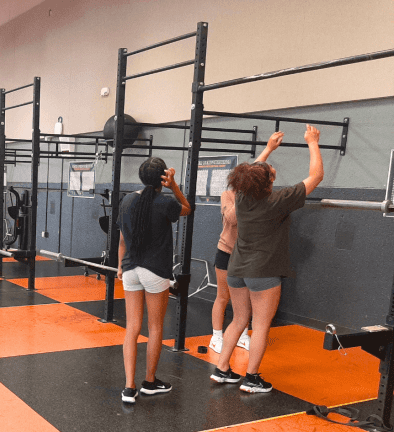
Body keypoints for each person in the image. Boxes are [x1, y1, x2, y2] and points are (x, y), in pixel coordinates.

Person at [211, 126, 324, 393]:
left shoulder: (242, 196)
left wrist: (269, 148)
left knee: (239, 320)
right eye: (272, 175)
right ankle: (251, 379)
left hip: (236, 268)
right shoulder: (279, 200)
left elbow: (251, 174)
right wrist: (312, 142)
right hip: (263, 271)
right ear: (269, 184)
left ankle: (222, 369)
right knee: (260, 325)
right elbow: (316, 175)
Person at [118, 157, 191, 403]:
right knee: (155, 327)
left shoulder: (127, 200)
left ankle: (129, 387)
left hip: (130, 269)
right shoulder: (166, 202)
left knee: (133, 327)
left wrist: (120, 266)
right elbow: (188, 209)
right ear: (163, 178)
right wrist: (175, 187)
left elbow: (121, 241)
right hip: (155, 271)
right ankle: (150, 381)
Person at [208, 188, 251, 353]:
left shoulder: (258, 195)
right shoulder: (228, 194)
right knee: (223, 296)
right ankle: (216, 336)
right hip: (226, 251)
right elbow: (231, 219)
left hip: (247, 254)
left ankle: (242, 335)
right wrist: (242, 195)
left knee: (246, 299)